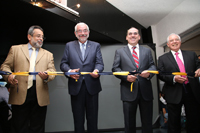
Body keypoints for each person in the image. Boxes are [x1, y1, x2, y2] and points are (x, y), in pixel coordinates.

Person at [0, 25, 56, 133]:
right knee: (19, 125)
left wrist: (47, 76)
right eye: (38, 36)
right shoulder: (15, 49)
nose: (41, 39)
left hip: (39, 93)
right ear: (29, 37)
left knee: (38, 126)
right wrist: (9, 76)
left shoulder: (48, 54)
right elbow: (5, 67)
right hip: (19, 90)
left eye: (42, 37)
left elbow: (52, 71)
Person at [60, 22, 104, 133]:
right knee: (78, 120)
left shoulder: (96, 45)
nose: (82, 33)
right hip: (76, 87)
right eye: (79, 31)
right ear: (75, 33)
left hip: (92, 87)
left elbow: (100, 63)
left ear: (89, 32)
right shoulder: (69, 45)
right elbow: (63, 64)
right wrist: (69, 71)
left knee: (93, 119)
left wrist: (96, 70)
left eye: (85, 30)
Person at [112, 27, 156, 133]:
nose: (133, 35)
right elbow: (115, 69)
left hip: (145, 92)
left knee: (147, 122)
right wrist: (126, 77)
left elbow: (152, 66)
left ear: (139, 37)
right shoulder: (119, 52)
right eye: (130, 34)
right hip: (128, 91)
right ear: (127, 37)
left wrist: (149, 73)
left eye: (135, 33)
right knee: (129, 122)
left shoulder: (147, 50)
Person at [157, 33, 200, 133]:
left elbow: (198, 66)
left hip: (192, 91)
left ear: (180, 42)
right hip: (173, 91)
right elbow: (161, 74)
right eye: (171, 40)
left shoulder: (191, 54)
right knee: (173, 121)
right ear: (168, 44)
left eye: (176, 40)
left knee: (194, 119)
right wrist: (173, 78)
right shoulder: (162, 58)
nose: (174, 42)